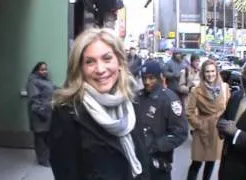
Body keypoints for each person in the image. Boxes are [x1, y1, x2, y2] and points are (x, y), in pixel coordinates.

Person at [49, 28, 148, 180]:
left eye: (107, 59)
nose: (100, 69)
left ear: (120, 62)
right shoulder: (66, 113)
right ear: (80, 68)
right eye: (90, 62)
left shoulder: (131, 102)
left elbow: (143, 159)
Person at [134, 61, 188, 180]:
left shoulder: (170, 99)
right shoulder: (137, 97)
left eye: (151, 78)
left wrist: (155, 145)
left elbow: (180, 132)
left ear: (159, 78)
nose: (147, 82)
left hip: (159, 163)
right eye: (144, 78)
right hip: (138, 163)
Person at [186, 59, 230, 180]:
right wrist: (200, 125)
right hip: (202, 131)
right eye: (207, 72)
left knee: (211, 163)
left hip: (217, 131)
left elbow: (228, 109)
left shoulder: (225, 88)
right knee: (196, 163)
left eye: (212, 71)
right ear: (203, 73)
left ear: (217, 72)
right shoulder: (197, 90)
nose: (210, 74)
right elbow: (189, 112)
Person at [26, 61, 57, 167]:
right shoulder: (33, 82)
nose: (45, 71)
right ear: (36, 70)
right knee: (40, 138)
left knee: (47, 137)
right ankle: (43, 160)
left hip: (47, 113)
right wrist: (43, 112)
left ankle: (48, 157)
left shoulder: (46, 81)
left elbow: (55, 89)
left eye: (46, 69)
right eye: (42, 69)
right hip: (39, 115)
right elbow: (34, 100)